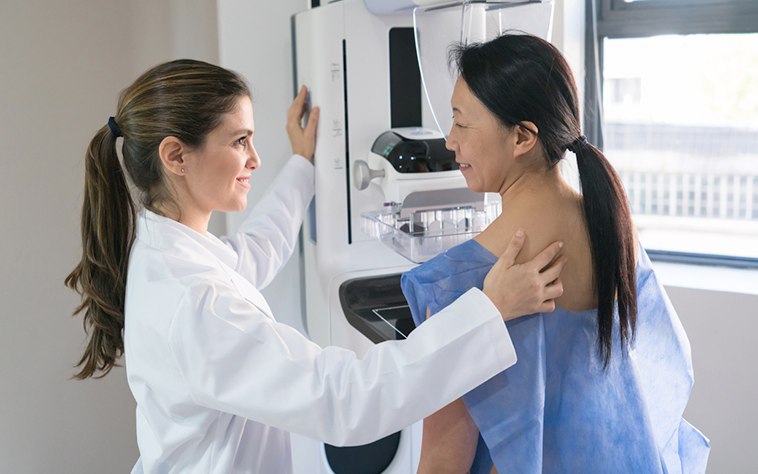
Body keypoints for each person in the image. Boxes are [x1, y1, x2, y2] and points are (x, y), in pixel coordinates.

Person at [64, 59, 568, 474]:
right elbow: (344, 400)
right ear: (176, 156)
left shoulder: (166, 252)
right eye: (240, 141)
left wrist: (302, 165)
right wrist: (489, 309)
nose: (255, 159)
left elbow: (253, 254)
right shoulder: (196, 300)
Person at [401, 34, 710, 474]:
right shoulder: (614, 233)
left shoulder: (456, 285)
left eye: (461, 123)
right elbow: (664, 379)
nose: (450, 141)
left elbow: (441, 462)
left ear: (523, 136)